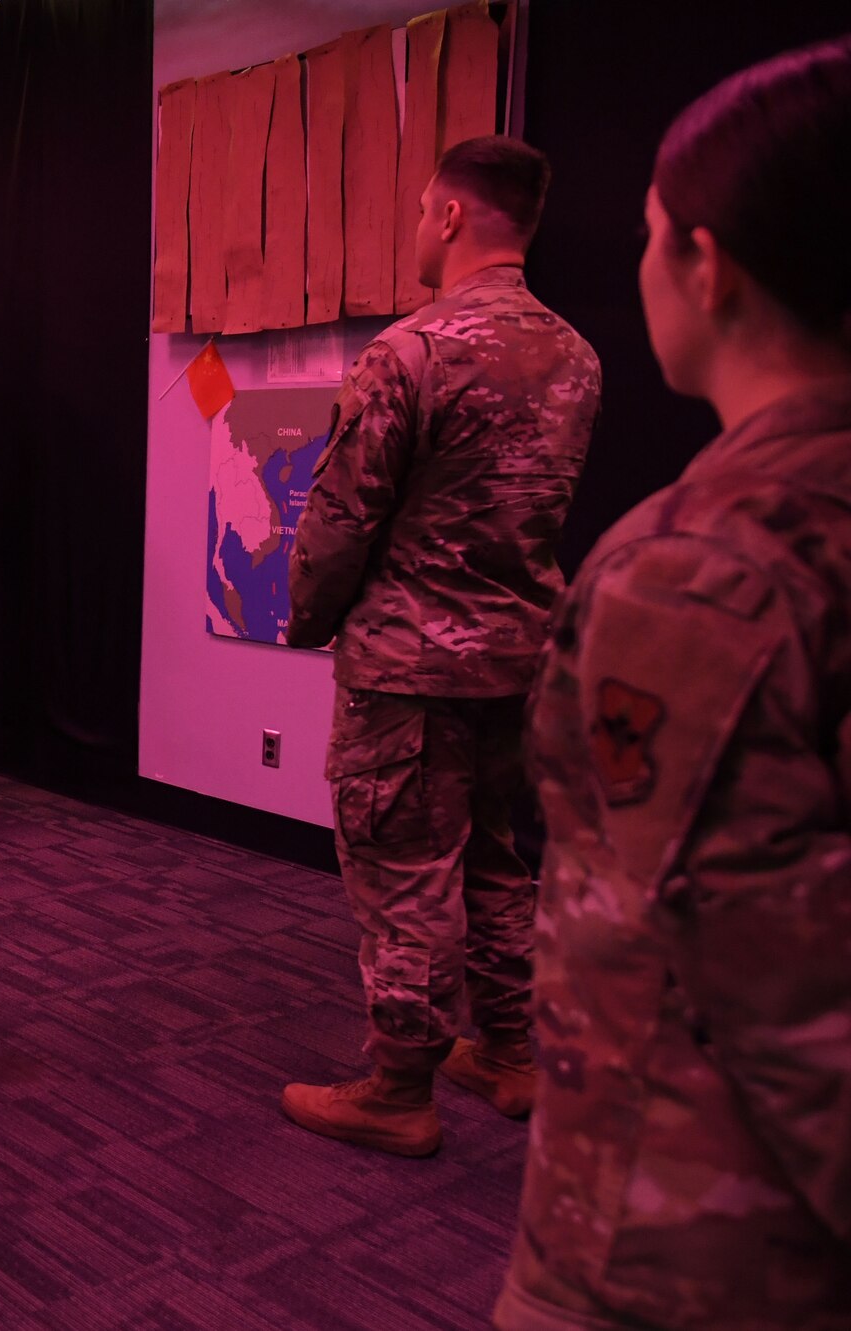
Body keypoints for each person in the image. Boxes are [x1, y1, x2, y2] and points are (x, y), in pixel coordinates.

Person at [500, 39, 851, 1329]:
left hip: (694, 1251)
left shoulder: (702, 574)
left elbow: (791, 1007)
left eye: (651, 233)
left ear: (703, 266)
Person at [280, 136, 602, 1155]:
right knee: (499, 860)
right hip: (519, 660)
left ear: (452, 215)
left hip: (408, 668)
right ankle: (510, 1052)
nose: (418, 227)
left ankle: (397, 1086)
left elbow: (339, 520)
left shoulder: (409, 351)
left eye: (423, 210)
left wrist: (307, 620)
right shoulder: (574, 355)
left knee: (405, 868)